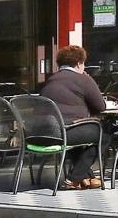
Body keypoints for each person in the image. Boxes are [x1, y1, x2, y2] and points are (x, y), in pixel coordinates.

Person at [39, 44, 107, 188]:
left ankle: (88, 177)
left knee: (78, 139)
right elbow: (101, 107)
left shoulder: (49, 80)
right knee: (106, 133)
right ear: (79, 63)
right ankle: (74, 179)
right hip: (65, 132)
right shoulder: (83, 79)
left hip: (43, 133)